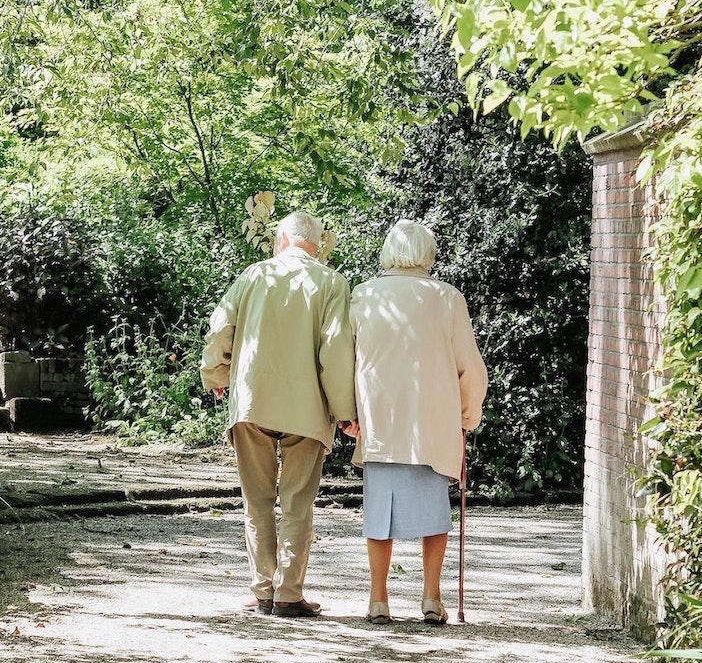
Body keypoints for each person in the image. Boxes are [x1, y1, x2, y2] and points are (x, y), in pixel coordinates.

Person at [200, 211, 357, 619]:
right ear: (317, 245)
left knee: (257, 500)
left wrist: (216, 373)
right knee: (297, 503)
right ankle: (288, 594)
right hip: (307, 408)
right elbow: (336, 351)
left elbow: (221, 329)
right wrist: (345, 411)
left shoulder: (253, 276)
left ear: (281, 240)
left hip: (253, 402)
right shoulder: (332, 283)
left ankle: (262, 590)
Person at [345, 219, 488, 625]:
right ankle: (431, 597)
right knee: (434, 513)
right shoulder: (447, 298)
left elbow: (346, 360)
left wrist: (348, 413)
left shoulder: (364, 295)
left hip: (382, 420)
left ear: (388, 251)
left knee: (378, 514)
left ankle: (378, 599)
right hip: (432, 421)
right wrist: (467, 412)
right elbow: (470, 367)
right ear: (428, 253)